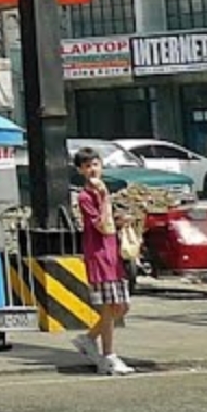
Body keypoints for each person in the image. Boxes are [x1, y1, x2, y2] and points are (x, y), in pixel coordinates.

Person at [71, 147, 135, 376]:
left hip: (113, 254)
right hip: (98, 256)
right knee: (109, 308)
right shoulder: (86, 197)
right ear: (80, 170)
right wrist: (105, 196)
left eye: (95, 164)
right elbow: (102, 225)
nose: (92, 170)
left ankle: (88, 338)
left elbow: (110, 224)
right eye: (87, 166)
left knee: (122, 306)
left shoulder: (102, 194)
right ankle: (108, 356)